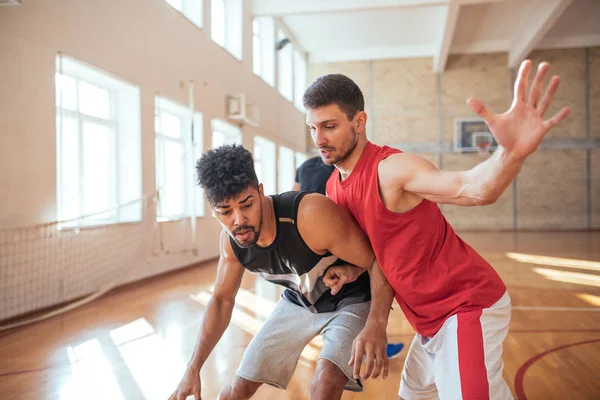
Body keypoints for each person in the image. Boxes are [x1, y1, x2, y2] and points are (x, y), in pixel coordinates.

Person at [302, 59, 570, 399]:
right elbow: (379, 254)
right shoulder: (334, 189)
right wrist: (353, 269)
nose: (319, 139)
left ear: (359, 121)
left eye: (328, 126)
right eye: (313, 128)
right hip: (429, 321)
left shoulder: (392, 170)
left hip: (465, 304)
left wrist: (510, 154)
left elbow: (472, 188)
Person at [169, 144, 392, 400]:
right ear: (213, 210)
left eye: (247, 204)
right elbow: (221, 300)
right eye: (225, 211)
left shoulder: (309, 214)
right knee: (235, 392)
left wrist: (377, 323)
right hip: (298, 302)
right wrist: (193, 368)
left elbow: (378, 258)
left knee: (325, 383)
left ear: (261, 191)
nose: (239, 220)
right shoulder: (231, 242)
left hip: (351, 299)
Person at [293, 155, 406, 361]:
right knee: (359, 288)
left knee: (322, 292)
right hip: (337, 237)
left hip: (311, 241)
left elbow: (293, 196)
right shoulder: (341, 171)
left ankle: (349, 344)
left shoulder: (304, 166)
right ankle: (364, 346)